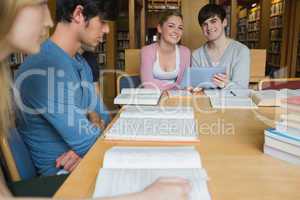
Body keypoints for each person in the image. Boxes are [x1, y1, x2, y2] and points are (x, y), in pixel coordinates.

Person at [2, 0, 190, 199]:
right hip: (64, 174)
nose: (108, 30)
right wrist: (86, 141)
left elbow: (103, 118)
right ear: (79, 15)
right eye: (102, 21)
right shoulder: (45, 68)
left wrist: (89, 133)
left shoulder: (79, 62)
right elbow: (86, 140)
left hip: (88, 159)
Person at [192, 4, 250, 89]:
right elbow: (195, 88)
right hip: (204, 101)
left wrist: (227, 84)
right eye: (205, 24)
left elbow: (242, 89)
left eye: (213, 21)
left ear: (224, 22)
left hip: (232, 102)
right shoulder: (196, 55)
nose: (209, 27)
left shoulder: (241, 51)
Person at [140, 11, 191, 90]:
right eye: (171, 26)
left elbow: (185, 83)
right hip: (152, 98)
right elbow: (148, 84)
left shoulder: (185, 52)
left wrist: (181, 87)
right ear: (160, 28)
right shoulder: (146, 51)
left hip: (176, 98)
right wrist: (175, 86)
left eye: (180, 28)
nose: (176, 31)